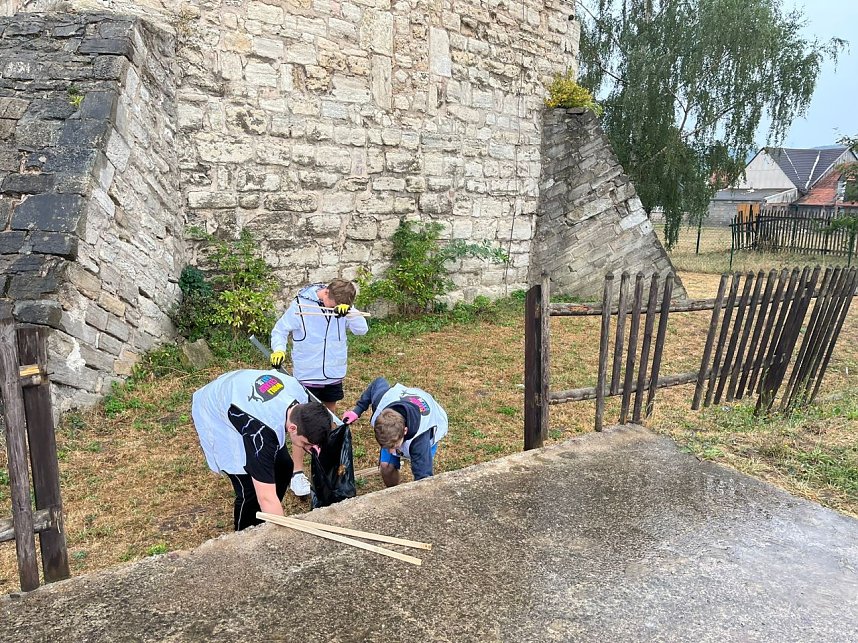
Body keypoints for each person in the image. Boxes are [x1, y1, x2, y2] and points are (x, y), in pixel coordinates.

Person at [191, 369, 331, 531]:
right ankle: (246, 534)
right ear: (293, 428)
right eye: (306, 444)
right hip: (216, 410)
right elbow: (266, 497)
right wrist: (283, 534)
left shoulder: (299, 394)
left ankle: (265, 518)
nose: (309, 449)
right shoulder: (261, 435)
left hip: (240, 391)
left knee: (284, 467)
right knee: (248, 488)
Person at [269, 278, 368, 498]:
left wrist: (350, 311)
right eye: (333, 304)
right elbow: (279, 331)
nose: (334, 309)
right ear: (325, 293)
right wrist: (278, 350)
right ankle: (297, 473)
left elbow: (362, 330)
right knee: (301, 424)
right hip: (307, 376)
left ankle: (326, 465)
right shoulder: (302, 305)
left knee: (328, 420)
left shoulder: (343, 307)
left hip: (332, 374)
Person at [341, 377, 448, 487]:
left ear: (405, 431)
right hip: (403, 408)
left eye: (394, 445)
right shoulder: (381, 402)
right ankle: (393, 492)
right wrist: (357, 410)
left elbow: (424, 480)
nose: (392, 451)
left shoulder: (420, 441)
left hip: (430, 425)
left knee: (420, 469)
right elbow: (378, 382)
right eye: (386, 446)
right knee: (386, 466)